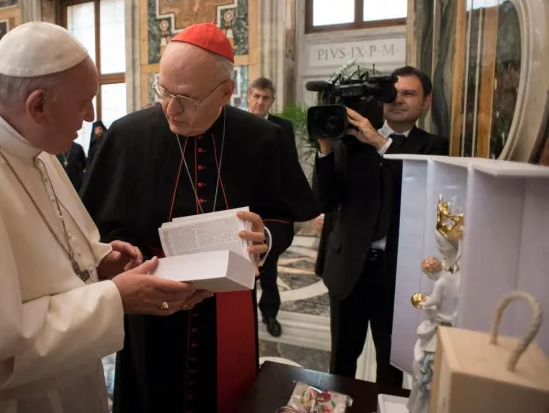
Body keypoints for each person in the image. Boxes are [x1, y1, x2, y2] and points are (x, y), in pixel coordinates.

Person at [0, 21, 201, 413]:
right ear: (38, 105)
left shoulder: (37, 148)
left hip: (64, 381)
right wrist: (114, 300)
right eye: (84, 103)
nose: (91, 116)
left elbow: (46, 255)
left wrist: (98, 264)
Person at [82, 23, 319, 413]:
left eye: (187, 98)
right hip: (151, 304)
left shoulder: (262, 139)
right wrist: (119, 255)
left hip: (227, 306)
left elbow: (281, 218)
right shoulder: (127, 136)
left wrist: (268, 239)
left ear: (226, 92)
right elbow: (98, 225)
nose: (171, 109)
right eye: (164, 91)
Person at [315, 66, 449, 387]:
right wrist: (325, 149)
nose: (397, 100)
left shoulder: (433, 146)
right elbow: (325, 201)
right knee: (341, 361)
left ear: (426, 102)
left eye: (408, 93)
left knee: (391, 365)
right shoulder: (352, 141)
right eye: (392, 93)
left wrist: (379, 142)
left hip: (397, 276)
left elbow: (421, 191)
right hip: (349, 269)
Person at [247, 77, 299, 338]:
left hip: (271, 207)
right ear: (248, 97)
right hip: (242, 204)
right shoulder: (235, 123)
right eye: (256, 96)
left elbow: (289, 165)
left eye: (265, 98)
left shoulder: (283, 127)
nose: (260, 101)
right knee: (242, 261)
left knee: (270, 262)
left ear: (272, 101)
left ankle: (269, 313)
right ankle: (242, 314)